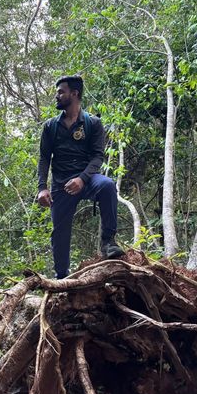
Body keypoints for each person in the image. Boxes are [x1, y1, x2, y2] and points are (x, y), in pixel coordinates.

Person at [37, 75, 123, 279]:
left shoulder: (93, 123)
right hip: (61, 184)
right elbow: (44, 158)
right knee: (59, 233)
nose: (56, 96)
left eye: (60, 92)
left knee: (107, 185)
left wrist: (82, 179)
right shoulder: (50, 126)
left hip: (87, 179)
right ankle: (61, 278)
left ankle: (108, 242)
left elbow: (97, 157)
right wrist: (42, 187)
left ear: (74, 94)